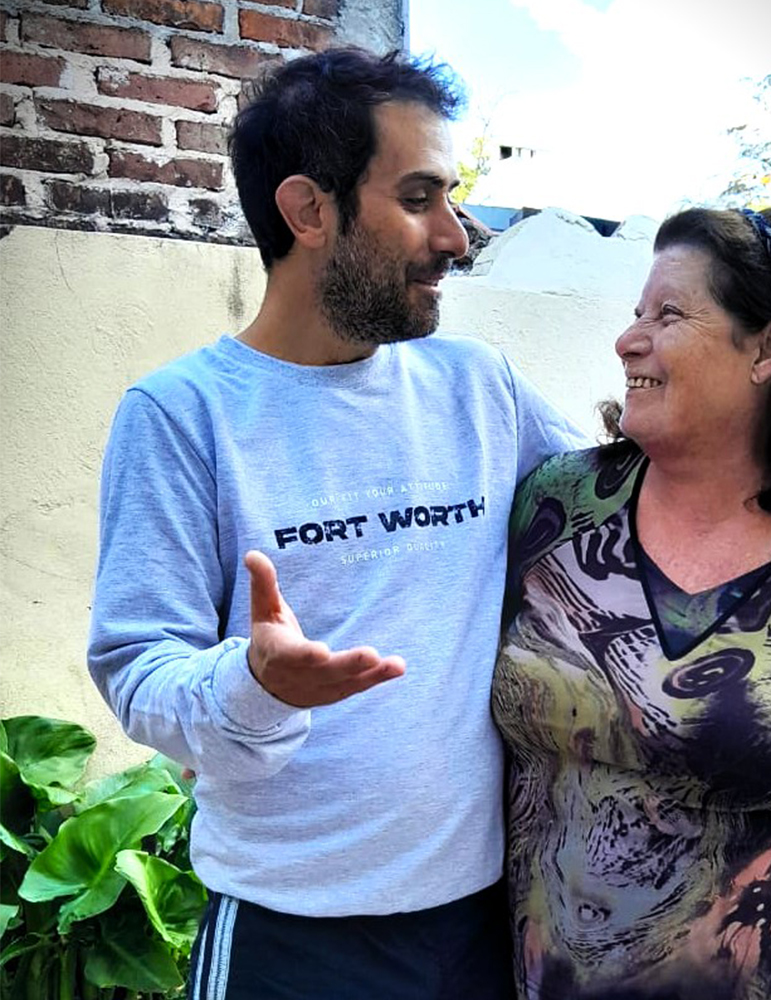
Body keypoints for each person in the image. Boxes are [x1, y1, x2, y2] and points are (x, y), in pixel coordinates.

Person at [87, 47, 588, 1000]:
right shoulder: (183, 415)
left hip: (480, 926)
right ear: (309, 211)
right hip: (288, 939)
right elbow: (136, 666)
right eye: (419, 198)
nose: (458, 237)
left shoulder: (478, 386)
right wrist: (254, 683)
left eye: (451, 199)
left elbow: (623, 501)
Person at [492, 207, 771, 1000]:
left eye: (668, 315)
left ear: (769, 347)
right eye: (637, 313)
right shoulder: (557, 508)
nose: (627, 340)